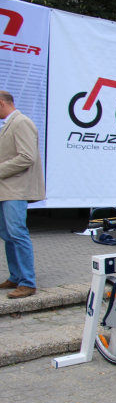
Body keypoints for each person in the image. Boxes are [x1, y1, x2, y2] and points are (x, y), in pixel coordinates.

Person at [0, 91, 45, 299]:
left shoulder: (21, 122)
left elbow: (27, 157)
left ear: (1, 104)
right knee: (8, 235)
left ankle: (28, 282)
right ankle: (16, 276)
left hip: (15, 190)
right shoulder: (11, 123)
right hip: (6, 190)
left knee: (17, 234)